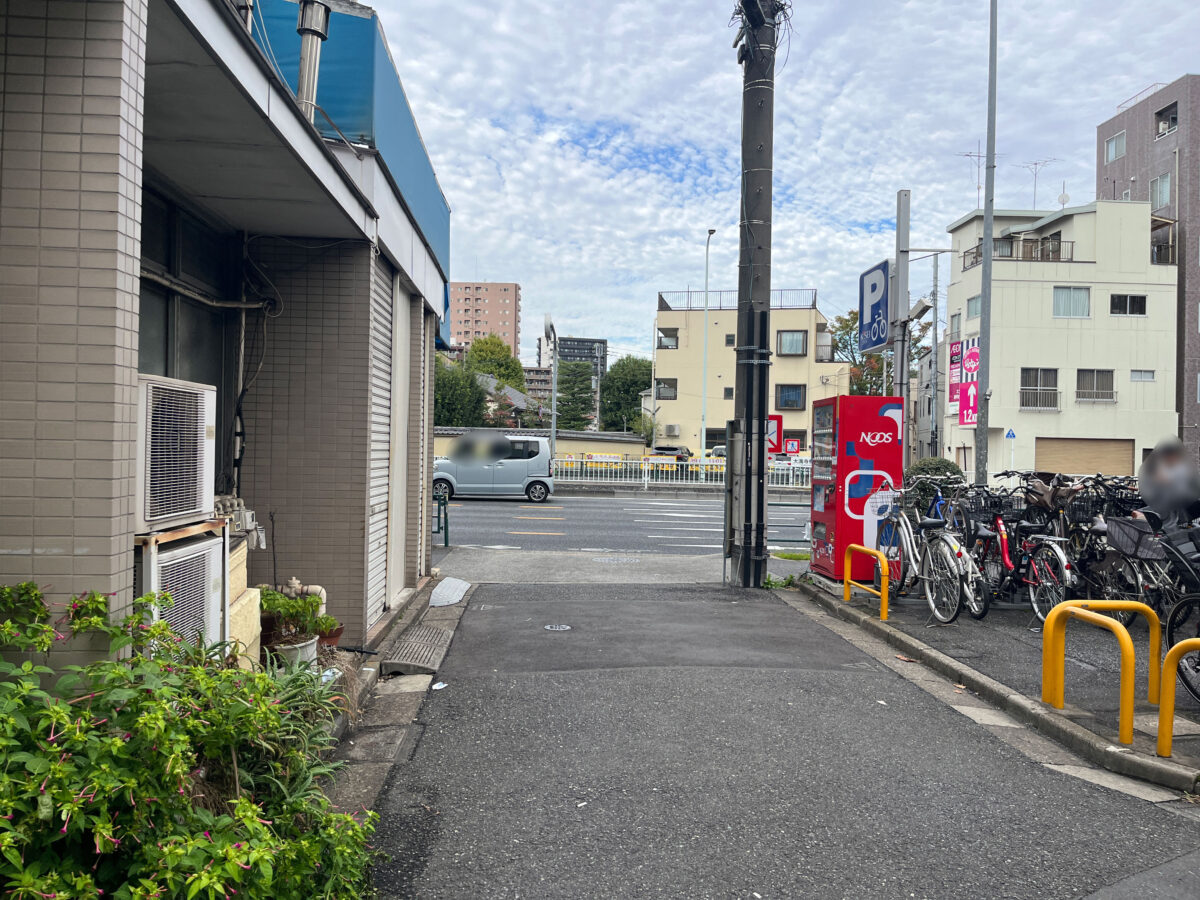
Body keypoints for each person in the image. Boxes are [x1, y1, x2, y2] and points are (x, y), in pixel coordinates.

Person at [1137, 436, 1200, 532]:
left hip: (1179, 506)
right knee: (1146, 512)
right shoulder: (1164, 468)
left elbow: (1182, 491)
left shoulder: (1182, 470)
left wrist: (1168, 482)